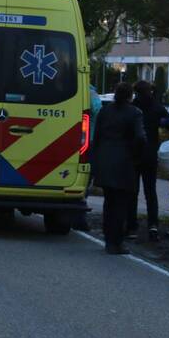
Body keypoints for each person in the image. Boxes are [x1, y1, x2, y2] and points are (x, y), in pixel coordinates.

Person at [91, 82, 145, 255]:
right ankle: (117, 241)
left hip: (105, 159)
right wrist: (135, 155)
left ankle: (108, 239)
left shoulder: (105, 111)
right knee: (121, 204)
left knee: (109, 202)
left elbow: (96, 136)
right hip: (124, 162)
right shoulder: (135, 113)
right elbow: (139, 137)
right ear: (131, 96)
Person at [129, 80, 169, 241]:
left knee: (132, 192)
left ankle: (132, 226)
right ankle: (153, 225)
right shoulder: (157, 108)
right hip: (150, 154)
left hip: (133, 154)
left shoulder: (133, 107)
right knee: (151, 192)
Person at [72, 85, 103, 232]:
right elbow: (99, 111)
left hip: (68, 137)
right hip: (88, 139)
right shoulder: (90, 93)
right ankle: (79, 217)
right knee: (84, 180)